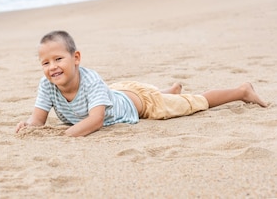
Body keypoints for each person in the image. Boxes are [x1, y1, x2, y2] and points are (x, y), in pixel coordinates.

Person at [15, 30, 269, 137]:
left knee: (194, 103)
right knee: (147, 95)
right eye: (45, 63)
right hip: (118, 93)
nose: (52, 67)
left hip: (143, 103)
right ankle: (168, 91)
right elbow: (38, 119)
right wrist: (28, 127)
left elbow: (96, 120)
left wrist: (67, 134)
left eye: (58, 59)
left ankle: (241, 90)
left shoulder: (91, 81)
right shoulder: (47, 84)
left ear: (76, 58)